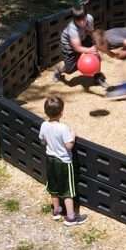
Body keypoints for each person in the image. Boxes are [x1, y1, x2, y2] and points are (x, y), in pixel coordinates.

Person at [38, 96, 87, 227]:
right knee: (67, 190)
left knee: (53, 187)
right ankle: (70, 217)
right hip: (64, 162)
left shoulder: (44, 125)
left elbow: (42, 140)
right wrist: (73, 135)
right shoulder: (63, 128)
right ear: (61, 112)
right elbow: (69, 146)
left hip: (50, 159)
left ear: (45, 112)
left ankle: (56, 211)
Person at [54, 2, 105, 86]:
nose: (82, 22)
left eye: (83, 19)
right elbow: (77, 48)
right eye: (78, 20)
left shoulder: (90, 18)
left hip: (83, 38)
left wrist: (96, 43)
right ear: (74, 19)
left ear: (86, 15)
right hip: (70, 46)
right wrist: (89, 50)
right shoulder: (72, 29)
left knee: (96, 55)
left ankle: (98, 77)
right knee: (70, 69)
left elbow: (91, 32)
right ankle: (59, 70)